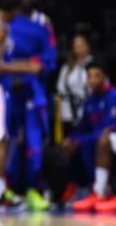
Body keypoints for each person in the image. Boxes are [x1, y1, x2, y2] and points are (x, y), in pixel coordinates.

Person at [0, 0, 42, 211]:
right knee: (0, 140)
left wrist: (23, 62)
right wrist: (27, 68)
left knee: (0, 141)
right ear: (12, 11)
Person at [5, 0, 57, 211]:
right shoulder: (7, 21)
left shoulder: (43, 23)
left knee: (34, 141)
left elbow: (49, 58)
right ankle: (7, 189)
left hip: (33, 89)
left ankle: (32, 189)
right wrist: (11, 74)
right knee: (9, 139)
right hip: (9, 88)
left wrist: (27, 68)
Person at [63, 59, 116, 213]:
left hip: (104, 137)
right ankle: (87, 189)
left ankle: (103, 190)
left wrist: (80, 140)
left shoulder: (113, 96)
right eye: (89, 76)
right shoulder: (90, 100)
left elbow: (109, 128)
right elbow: (82, 127)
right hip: (96, 138)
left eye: (96, 76)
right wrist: (72, 139)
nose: (92, 80)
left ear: (104, 77)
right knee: (69, 146)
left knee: (97, 141)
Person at [56, 34, 92, 139]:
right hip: (68, 114)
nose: (78, 49)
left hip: (88, 112)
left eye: (81, 46)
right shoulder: (67, 67)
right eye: (75, 46)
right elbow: (60, 87)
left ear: (88, 46)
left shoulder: (95, 65)